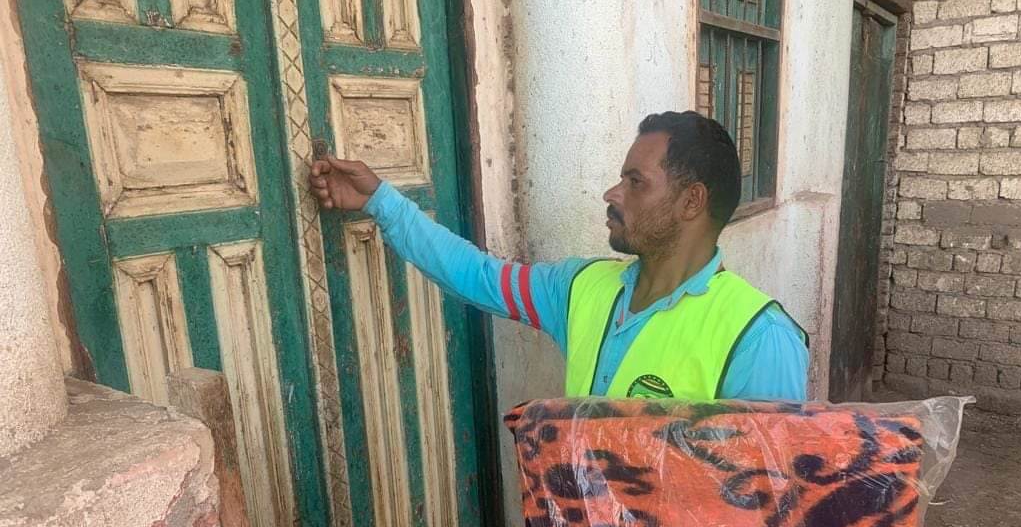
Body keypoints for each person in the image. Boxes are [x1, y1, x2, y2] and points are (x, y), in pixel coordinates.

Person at [309, 111, 808, 401]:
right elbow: (474, 274)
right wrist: (381, 201)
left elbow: (767, 509)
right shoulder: (580, 288)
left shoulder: (760, 339)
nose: (613, 193)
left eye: (636, 182)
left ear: (691, 202)